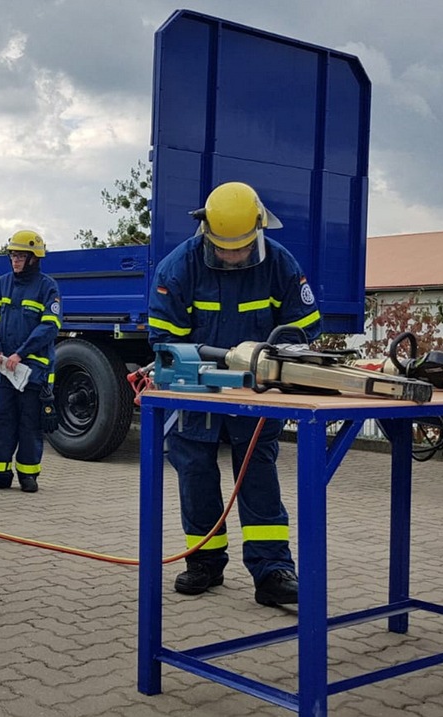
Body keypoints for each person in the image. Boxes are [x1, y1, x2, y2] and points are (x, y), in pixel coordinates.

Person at [147, 181, 321, 608]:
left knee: (259, 478)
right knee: (195, 476)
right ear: (205, 230)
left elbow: (306, 325)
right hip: (197, 394)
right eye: (222, 248)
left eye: (241, 248)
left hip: (256, 393)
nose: (231, 255)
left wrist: (273, 362)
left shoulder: (279, 263)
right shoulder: (177, 269)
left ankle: (273, 570)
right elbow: (164, 341)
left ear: (258, 230)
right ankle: (204, 561)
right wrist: (203, 371)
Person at [0, 230, 61, 494]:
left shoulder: (47, 287)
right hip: (3, 368)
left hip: (32, 369)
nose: (15, 260)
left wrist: (20, 353)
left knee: (29, 421)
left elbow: (50, 326)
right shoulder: (3, 284)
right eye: (13, 254)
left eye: (21, 255)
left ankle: (28, 475)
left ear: (34, 258)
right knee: (0, 420)